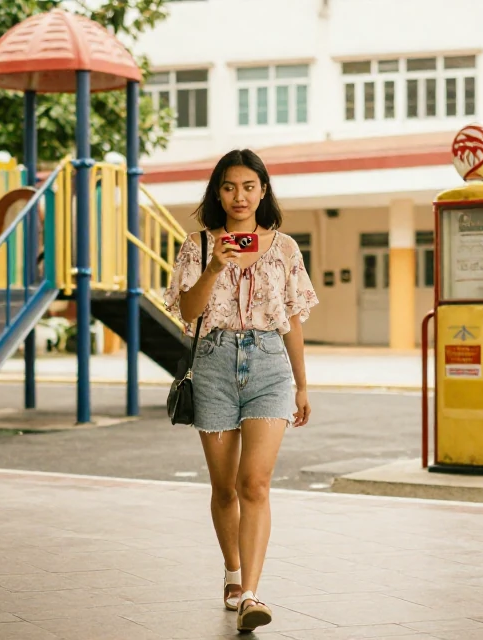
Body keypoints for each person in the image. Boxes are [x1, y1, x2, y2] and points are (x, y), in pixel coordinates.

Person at [164, 149, 318, 633]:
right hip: (213, 364)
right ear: (217, 192)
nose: (239, 196)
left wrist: (302, 383)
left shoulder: (286, 248)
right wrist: (213, 267)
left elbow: (292, 317)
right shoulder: (195, 245)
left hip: (270, 364)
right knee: (224, 486)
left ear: (263, 191)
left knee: (255, 482)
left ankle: (251, 593)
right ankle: (232, 574)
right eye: (229, 187)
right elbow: (188, 312)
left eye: (249, 186)